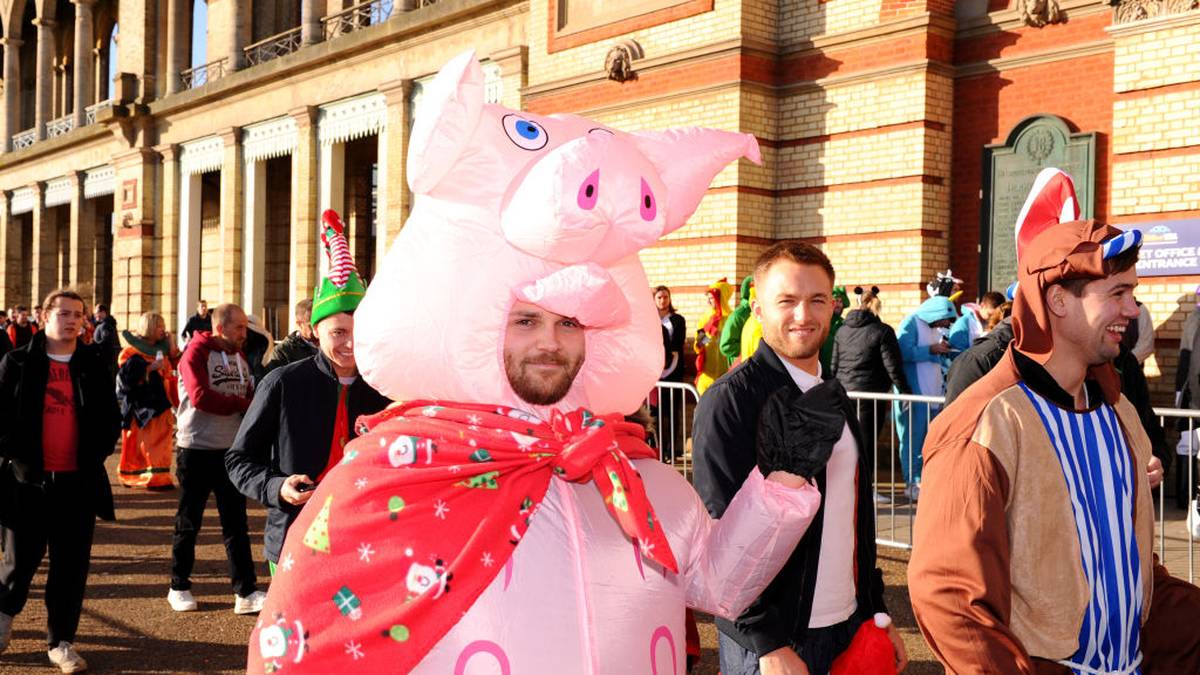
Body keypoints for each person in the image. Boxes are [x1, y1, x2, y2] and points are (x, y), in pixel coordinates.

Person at [244, 50, 822, 672]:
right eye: (526, 320)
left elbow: (716, 582)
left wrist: (783, 483)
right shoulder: (392, 476)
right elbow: (303, 640)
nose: (550, 341)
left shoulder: (626, 466)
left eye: (568, 322)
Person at [909, 167, 1200, 674]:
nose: (1133, 310)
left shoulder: (1120, 413)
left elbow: (1132, 574)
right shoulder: (987, 423)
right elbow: (953, 601)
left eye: (1132, 293)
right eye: (1117, 293)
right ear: (1058, 299)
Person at [694, 242, 906, 675]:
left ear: (833, 307)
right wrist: (767, 643)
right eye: (787, 301)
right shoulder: (730, 400)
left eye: (817, 300)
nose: (803, 315)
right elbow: (720, 535)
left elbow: (855, 517)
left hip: (847, 624)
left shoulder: (833, 393)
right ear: (758, 309)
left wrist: (875, 610)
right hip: (776, 641)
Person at [226, 211, 390, 574]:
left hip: (365, 542)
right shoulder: (282, 383)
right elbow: (238, 461)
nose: (351, 344)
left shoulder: (385, 388)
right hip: (293, 540)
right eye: (339, 333)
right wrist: (277, 487)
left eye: (359, 332)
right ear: (315, 331)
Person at [0, 289, 121, 673]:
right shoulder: (17, 361)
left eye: (79, 314)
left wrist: (94, 453)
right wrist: (16, 455)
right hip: (27, 482)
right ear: (45, 316)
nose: (73, 320)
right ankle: (3, 618)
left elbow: (110, 418)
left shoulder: (93, 363)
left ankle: (61, 642)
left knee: (70, 568)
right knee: (18, 563)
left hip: (77, 484)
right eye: (65, 313)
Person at [167, 302, 264, 615]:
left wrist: (248, 405)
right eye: (239, 327)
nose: (244, 333)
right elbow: (200, 397)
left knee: (236, 524)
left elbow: (247, 394)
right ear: (221, 328)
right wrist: (243, 405)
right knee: (189, 522)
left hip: (230, 452)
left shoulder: (239, 356)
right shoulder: (195, 353)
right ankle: (178, 585)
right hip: (195, 448)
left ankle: (245, 591)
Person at [830, 286, 909, 481]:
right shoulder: (883, 331)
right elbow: (893, 367)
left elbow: (834, 365)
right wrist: (905, 391)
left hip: (845, 394)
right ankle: (865, 489)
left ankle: (847, 486)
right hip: (871, 396)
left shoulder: (842, 330)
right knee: (866, 443)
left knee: (846, 442)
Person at [892, 294, 956, 500]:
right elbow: (902, 352)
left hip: (933, 393)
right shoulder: (911, 323)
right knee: (913, 439)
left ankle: (926, 479)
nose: (945, 325)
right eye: (944, 320)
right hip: (915, 394)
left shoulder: (934, 329)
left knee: (929, 439)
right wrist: (931, 349)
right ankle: (912, 481)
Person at [115, 312, 179, 490]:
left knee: (161, 442)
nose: (163, 329)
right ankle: (139, 476)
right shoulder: (130, 352)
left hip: (161, 404)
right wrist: (149, 368)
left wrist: (171, 345)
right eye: (159, 326)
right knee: (140, 443)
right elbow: (126, 378)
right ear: (149, 327)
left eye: (163, 326)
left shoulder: (163, 351)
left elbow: (174, 369)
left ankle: (158, 477)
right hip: (141, 407)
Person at [654, 284, 686, 462]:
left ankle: (671, 450)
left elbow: (677, 344)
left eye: (665, 297)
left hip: (672, 370)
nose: (662, 300)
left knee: (672, 412)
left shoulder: (677, 320)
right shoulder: (649, 319)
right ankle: (657, 449)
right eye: (659, 297)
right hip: (653, 373)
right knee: (656, 413)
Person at [695, 278, 734, 395]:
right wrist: (705, 339)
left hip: (726, 375)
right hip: (707, 376)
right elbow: (699, 343)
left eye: (711, 298)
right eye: (707, 298)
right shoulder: (705, 318)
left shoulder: (731, 318)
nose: (708, 301)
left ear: (721, 298)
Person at [263, 299, 319, 374]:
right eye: (311, 326)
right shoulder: (283, 351)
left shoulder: (330, 344)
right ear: (299, 324)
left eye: (320, 324)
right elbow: (274, 379)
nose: (317, 329)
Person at [719, 275, 754, 364]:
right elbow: (726, 346)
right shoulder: (738, 315)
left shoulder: (764, 312)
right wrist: (751, 348)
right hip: (741, 364)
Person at [817, 285, 849, 373]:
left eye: (840, 301)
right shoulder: (820, 322)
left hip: (839, 372)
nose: (838, 305)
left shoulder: (845, 324)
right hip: (820, 372)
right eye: (835, 301)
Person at [90, 304, 119, 379]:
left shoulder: (105, 325)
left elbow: (105, 342)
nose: (95, 315)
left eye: (96, 313)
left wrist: (92, 345)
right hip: (106, 359)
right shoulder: (107, 324)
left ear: (103, 313)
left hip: (104, 360)